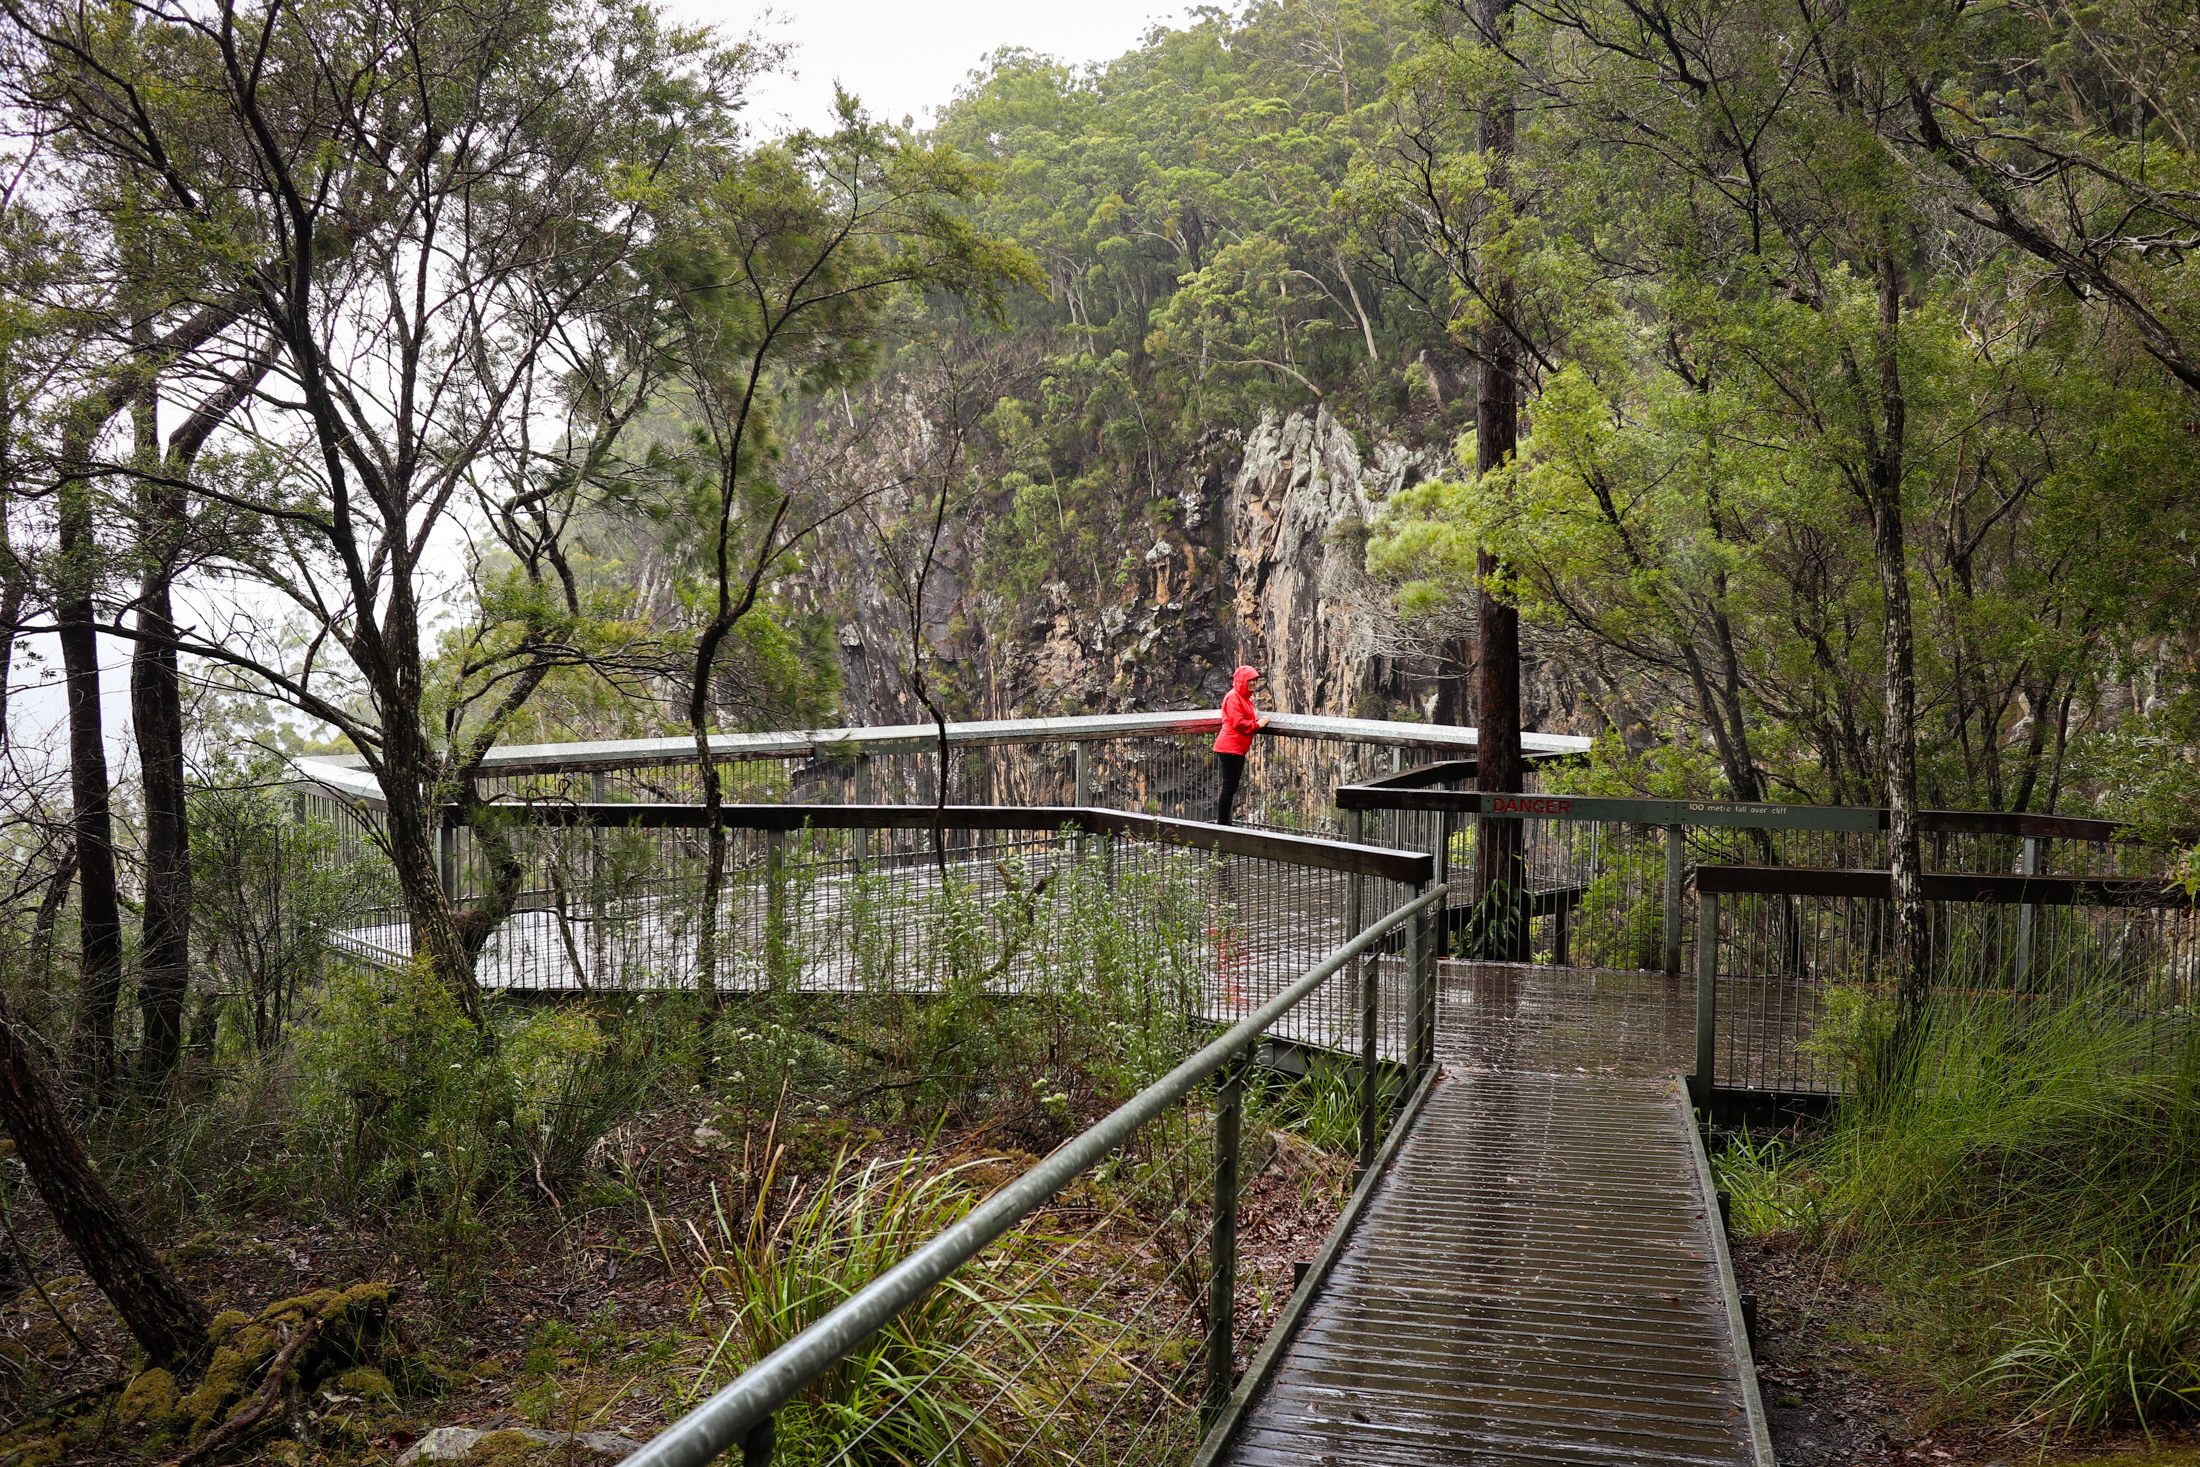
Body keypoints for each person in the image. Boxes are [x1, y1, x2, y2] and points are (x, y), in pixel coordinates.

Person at [1212, 665, 1271, 825]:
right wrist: (1257, 725)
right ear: (1241, 681)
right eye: (1249, 680)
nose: (1253, 683)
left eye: (1255, 680)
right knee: (1229, 788)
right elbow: (1238, 723)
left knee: (1231, 787)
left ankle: (1224, 823)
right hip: (1230, 746)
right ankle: (1223, 824)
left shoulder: (1244, 698)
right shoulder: (1234, 697)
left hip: (1236, 747)